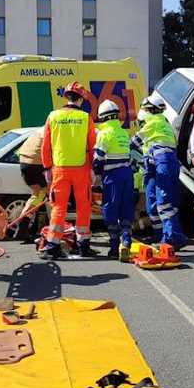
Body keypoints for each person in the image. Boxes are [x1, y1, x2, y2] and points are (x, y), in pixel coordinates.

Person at [40, 82, 97, 259]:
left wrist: (47, 167)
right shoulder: (86, 118)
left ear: (66, 97)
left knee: (58, 208)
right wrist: (93, 169)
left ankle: (52, 246)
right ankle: (83, 245)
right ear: (80, 99)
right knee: (84, 206)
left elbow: (46, 146)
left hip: (59, 169)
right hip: (81, 169)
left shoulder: (53, 116)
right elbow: (92, 146)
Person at [132, 95, 186, 249]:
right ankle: (159, 236)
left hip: (163, 163)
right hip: (154, 165)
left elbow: (135, 141)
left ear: (151, 110)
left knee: (164, 203)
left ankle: (172, 239)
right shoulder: (162, 124)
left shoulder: (155, 121)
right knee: (152, 204)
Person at [93, 99, 136, 262]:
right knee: (126, 209)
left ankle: (113, 247)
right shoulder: (124, 133)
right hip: (127, 175)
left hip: (112, 177)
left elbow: (98, 159)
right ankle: (126, 240)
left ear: (102, 117)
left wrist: (96, 176)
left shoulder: (104, 134)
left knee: (110, 210)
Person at [16, 128, 48, 242]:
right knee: (49, 194)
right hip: (36, 164)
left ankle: (23, 228)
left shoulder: (40, 130)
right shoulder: (55, 130)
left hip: (24, 162)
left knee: (38, 195)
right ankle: (55, 231)